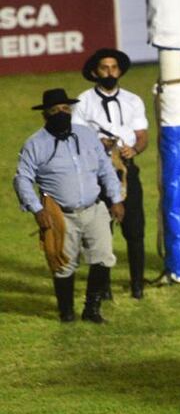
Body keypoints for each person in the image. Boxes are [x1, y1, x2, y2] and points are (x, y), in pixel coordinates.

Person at [13, 88, 124, 324]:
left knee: (103, 257)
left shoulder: (86, 135)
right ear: (45, 115)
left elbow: (105, 168)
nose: (61, 114)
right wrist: (37, 209)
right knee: (63, 264)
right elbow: (22, 177)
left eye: (65, 109)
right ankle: (67, 312)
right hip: (61, 214)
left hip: (94, 208)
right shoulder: (35, 144)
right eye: (54, 111)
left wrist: (116, 198)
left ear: (71, 110)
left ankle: (92, 309)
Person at [73, 47, 149, 299]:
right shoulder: (83, 102)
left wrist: (134, 150)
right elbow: (78, 137)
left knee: (135, 228)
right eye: (104, 68)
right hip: (96, 173)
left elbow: (142, 136)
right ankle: (102, 287)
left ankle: (137, 282)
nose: (109, 72)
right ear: (95, 71)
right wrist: (99, 144)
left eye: (114, 67)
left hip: (126, 171)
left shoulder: (133, 100)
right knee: (101, 231)